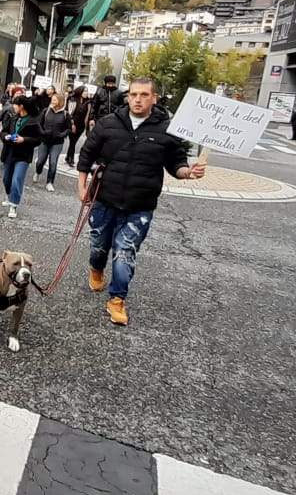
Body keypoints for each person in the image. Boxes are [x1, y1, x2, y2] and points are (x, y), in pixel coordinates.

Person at [77, 76, 206, 326]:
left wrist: (188, 172)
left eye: (144, 95)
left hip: (140, 205)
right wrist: (81, 187)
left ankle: (117, 300)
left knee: (125, 252)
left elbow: (176, 163)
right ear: (128, 97)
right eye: (133, 94)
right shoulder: (108, 123)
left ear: (154, 98)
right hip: (104, 199)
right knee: (98, 246)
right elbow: (86, 154)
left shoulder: (167, 130)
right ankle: (96, 268)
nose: (137, 99)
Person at [1, 95, 41, 219]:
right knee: (6, 179)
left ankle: (13, 204)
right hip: (10, 153)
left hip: (23, 155)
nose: (13, 107)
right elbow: (3, 131)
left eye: (15, 105)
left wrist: (24, 139)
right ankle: (9, 196)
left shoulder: (33, 121)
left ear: (21, 106)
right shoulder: (13, 118)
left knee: (17, 179)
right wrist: (5, 136)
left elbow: (38, 139)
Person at [34, 91, 70, 192]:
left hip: (57, 143)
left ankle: (50, 182)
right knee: (40, 161)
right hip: (45, 141)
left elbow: (68, 129)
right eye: (52, 99)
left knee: (53, 162)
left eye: (55, 100)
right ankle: (38, 172)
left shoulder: (65, 114)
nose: (52, 101)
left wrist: (61, 134)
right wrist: (43, 132)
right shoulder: (46, 111)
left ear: (60, 101)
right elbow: (39, 124)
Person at [65, 86, 90, 166]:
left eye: (87, 91)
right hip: (72, 124)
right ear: (80, 91)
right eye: (84, 91)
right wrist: (72, 124)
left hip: (81, 126)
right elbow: (69, 112)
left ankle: (68, 157)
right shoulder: (72, 99)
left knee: (74, 142)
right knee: (72, 141)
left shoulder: (88, 102)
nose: (86, 93)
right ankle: (70, 159)